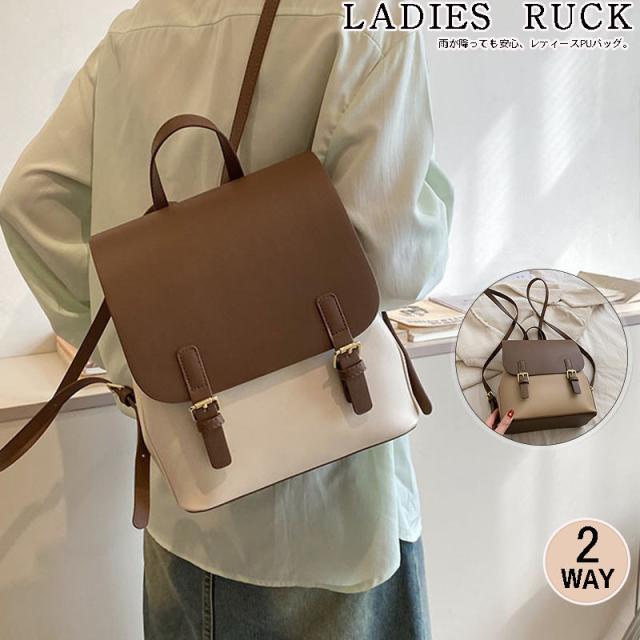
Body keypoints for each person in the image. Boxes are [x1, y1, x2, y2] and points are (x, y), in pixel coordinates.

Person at [0, 1, 453, 638]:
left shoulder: (138, 27)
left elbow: (30, 199)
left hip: (187, 485)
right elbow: (390, 257)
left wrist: (136, 350)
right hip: (325, 502)